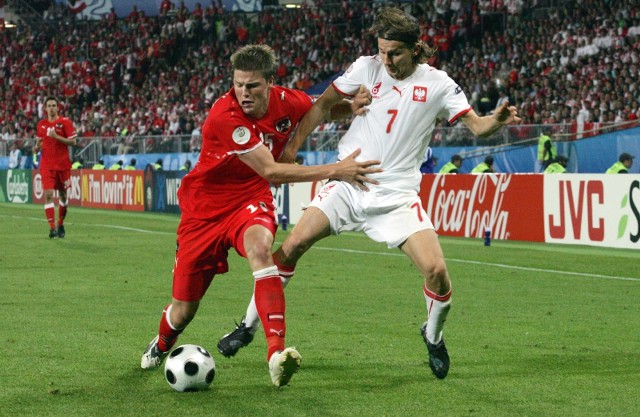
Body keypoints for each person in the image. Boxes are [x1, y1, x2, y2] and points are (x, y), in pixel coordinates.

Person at [217, 8, 521, 381]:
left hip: (396, 194)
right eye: (381, 51)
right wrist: (294, 146)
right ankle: (248, 327)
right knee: (291, 246)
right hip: (348, 180)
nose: (386, 60)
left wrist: (497, 121)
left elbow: (478, 126)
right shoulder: (366, 67)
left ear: (414, 49)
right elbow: (322, 105)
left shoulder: (439, 84)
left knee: (437, 271)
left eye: (394, 53)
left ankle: (433, 335)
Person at [140, 44, 381, 388]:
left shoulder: (288, 101)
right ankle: (162, 343)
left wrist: (349, 108)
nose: (243, 93)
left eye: (252, 85)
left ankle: (276, 354)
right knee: (184, 309)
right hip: (204, 212)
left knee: (260, 251)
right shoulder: (226, 116)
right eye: (238, 84)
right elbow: (271, 170)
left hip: (249, 200)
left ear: (270, 82)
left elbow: (318, 110)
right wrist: (337, 170)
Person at [34, 96, 77, 238]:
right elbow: (41, 142)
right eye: (49, 106)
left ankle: (60, 223)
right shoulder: (41, 124)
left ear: (58, 108)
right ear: (45, 108)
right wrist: (36, 148)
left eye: (54, 105)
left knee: (63, 196)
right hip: (47, 165)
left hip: (63, 165)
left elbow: (73, 142)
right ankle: (52, 228)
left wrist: (56, 137)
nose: (51, 108)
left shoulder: (65, 122)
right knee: (48, 194)